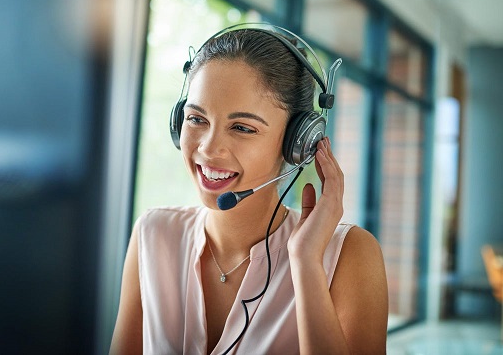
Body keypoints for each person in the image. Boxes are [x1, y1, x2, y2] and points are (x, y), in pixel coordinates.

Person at [110, 24, 388, 354]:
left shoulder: (350, 254)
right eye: (196, 119)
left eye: (242, 127)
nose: (210, 149)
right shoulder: (154, 234)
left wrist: (306, 263)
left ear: (296, 143)